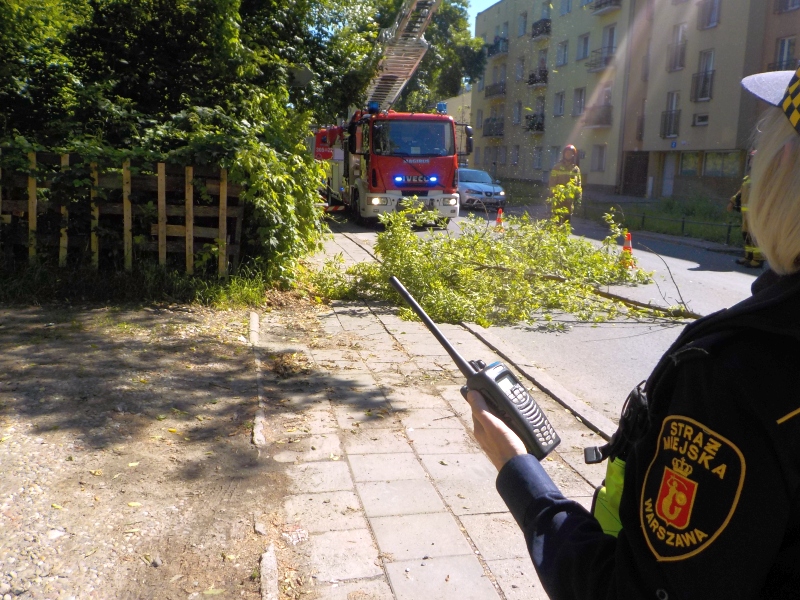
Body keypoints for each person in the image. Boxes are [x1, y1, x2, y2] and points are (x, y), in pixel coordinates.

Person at [466, 67, 800, 599]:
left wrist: (516, 470)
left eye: (762, 146)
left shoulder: (734, 379)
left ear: (784, 166)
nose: (751, 161)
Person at [727, 154, 765, 268]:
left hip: (756, 212)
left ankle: (758, 260)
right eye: (751, 159)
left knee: (755, 236)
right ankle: (748, 256)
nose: (751, 161)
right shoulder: (749, 177)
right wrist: (732, 201)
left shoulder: (762, 175)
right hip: (746, 213)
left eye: (753, 158)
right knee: (746, 235)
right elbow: (741, 192)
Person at [548, 145, 582, 223]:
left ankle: (564, 233)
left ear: (573, 155)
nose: (568, 155)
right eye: (567, 153)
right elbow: (552, 182)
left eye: (570, 153)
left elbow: (578, 184)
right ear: (564, 154)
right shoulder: (557, 167)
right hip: (558, 198)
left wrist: (578, 197)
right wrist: (552, 194)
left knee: (567, 221)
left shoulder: (576, 169)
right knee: (556, 221)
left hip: (569, 200)